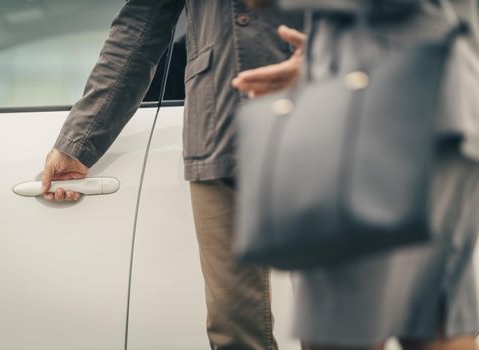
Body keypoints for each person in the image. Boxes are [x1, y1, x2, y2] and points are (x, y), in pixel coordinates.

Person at [40, 1, 302, 349]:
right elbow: (140, 27)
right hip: (220, 124)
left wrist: (336, 57)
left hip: (338, 112)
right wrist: (81, 139)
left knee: (343, 324)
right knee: (234, 330)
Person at [234, 0, 479, 349]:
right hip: (432, 98)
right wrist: (320, 59)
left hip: (386, 111)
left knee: (341, 332)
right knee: (434, 323)